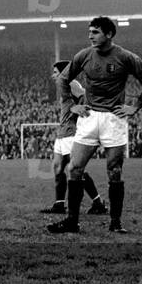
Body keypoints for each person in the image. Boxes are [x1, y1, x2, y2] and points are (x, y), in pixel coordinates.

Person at [48, 17, 142, 234]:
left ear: (109, 34)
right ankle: (72, 221)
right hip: (89, 117)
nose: (90, 36)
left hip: (113, 119)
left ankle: (115, 223)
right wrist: (71, 105)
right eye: (89, 32)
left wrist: (135, 107)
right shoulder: (84, 55)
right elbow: (63, 78)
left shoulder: (126, 57)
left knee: (114, 171)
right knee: (75, 168)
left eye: (96, 32)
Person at [41, 61, 105, 215]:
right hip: (62, 133)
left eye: (56, 72)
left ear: (64, 73)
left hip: (71, 133)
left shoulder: (72, 84)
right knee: (57, 167)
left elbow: (85, 98)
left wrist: (80, 113)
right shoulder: (63, 87)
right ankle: (59, 204)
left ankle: (98, 203)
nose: (53, 75)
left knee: (76, 170)